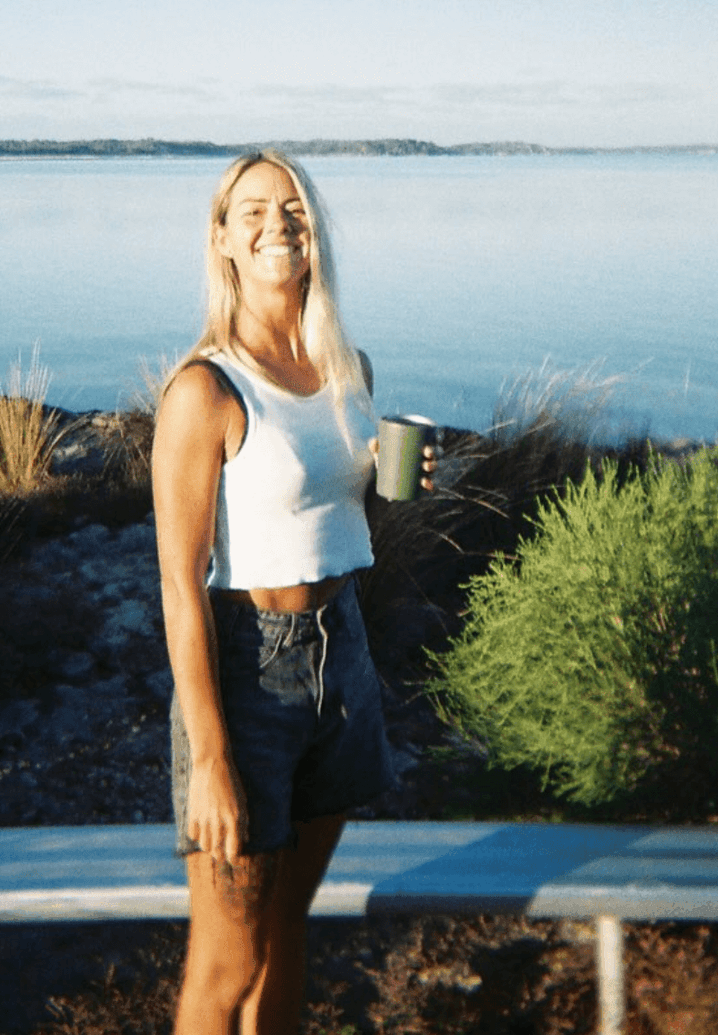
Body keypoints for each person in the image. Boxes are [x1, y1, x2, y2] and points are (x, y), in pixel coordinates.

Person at [152, 149, 434, 1035]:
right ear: (224, 240)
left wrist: (403, 485)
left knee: (286, 933)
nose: (279, 225)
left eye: (295, 209)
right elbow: (178, 583)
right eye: (255, 213)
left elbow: (348, 530)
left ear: (315, 232)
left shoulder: (350, 369)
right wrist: (210, 758)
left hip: (340, 661)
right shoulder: (205, 390)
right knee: (226, 965)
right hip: (249, 674)